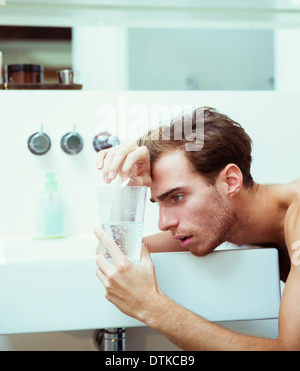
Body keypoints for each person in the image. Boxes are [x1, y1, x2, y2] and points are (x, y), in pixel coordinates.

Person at [94, 107, 300, 351]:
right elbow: (111, 254)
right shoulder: (224, 223)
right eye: (159, 202)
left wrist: (150, 306)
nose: (163, 223)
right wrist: (130, 182)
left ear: (230, 181)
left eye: (177, 197)